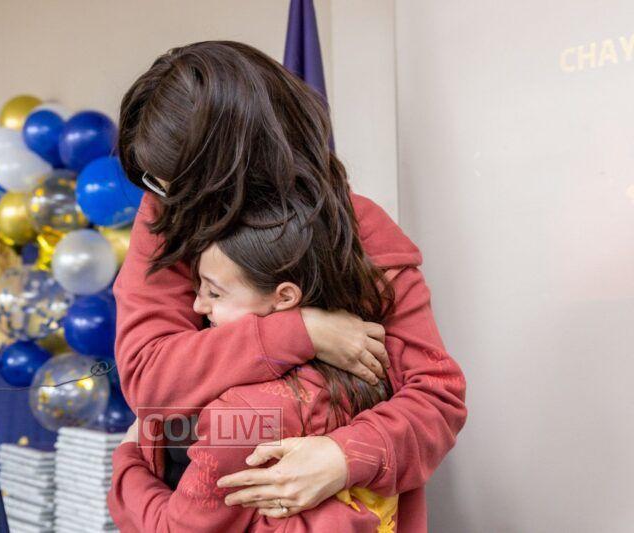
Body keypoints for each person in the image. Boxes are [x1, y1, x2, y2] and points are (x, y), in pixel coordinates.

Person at [110, 40, 467, 531]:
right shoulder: (168, 216)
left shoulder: (361, 232)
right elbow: (150, 378)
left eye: (177, 183)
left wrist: (343, 456)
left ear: (234, 165)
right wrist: (302, 331)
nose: (165, 197)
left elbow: (436, 399)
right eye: (156, 182)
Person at [109, 201, 399, 531]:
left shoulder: (245, 415)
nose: (197, 306)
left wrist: (127, 460)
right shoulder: (357, 375)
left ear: (284, 297)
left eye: (214, 293)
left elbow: (180, 529)